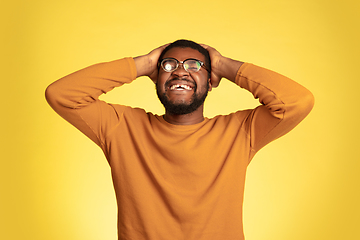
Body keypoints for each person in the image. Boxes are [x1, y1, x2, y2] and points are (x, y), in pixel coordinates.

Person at [45, 39, 314, 240]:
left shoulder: (240, 131)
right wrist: (144, 64)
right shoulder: (121, 127)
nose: (180, 72)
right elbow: (61, 94)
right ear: (156, 79)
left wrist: (222, 65)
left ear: (210, 82)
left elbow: (297, 102)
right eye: (169, 65)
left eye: (195, 66)